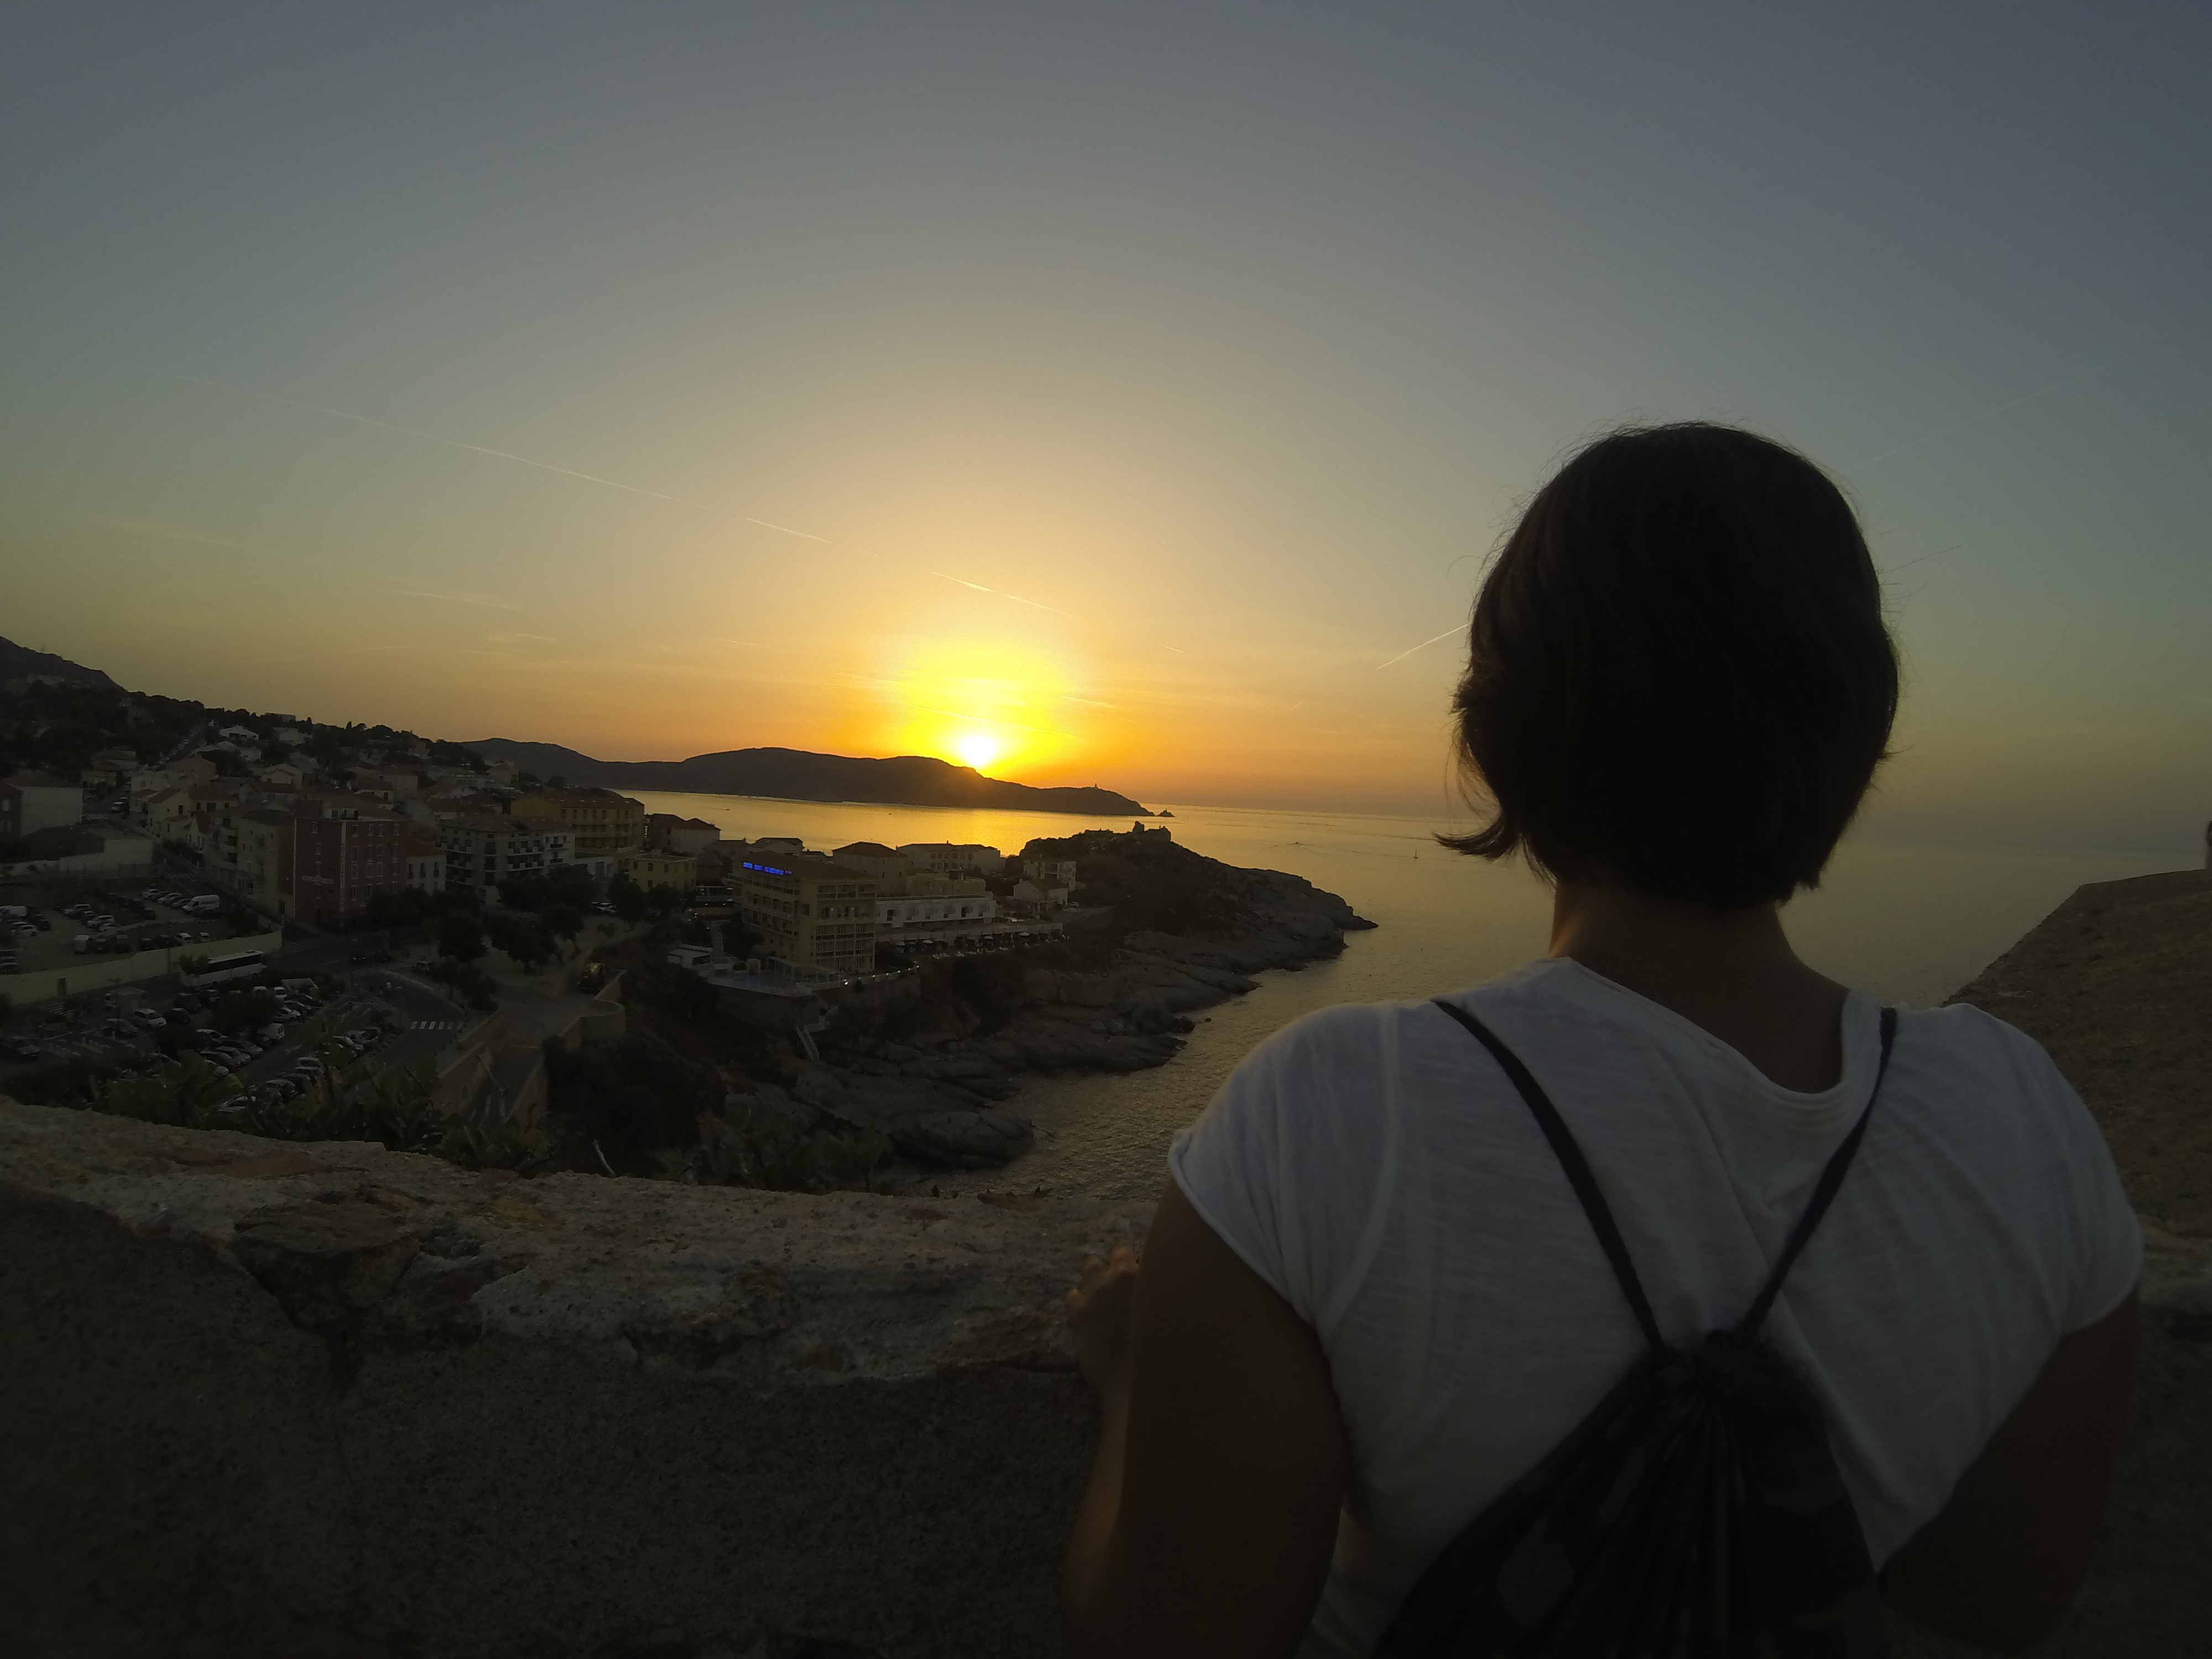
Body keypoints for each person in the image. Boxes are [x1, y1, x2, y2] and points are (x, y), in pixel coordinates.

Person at [1060, 424, 2140, 1659]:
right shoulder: (2026, 1128)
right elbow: (1986, 1608)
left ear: (1494, 731)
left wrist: (1134, 1379)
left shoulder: (1329, 1117)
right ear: (1851, 727)